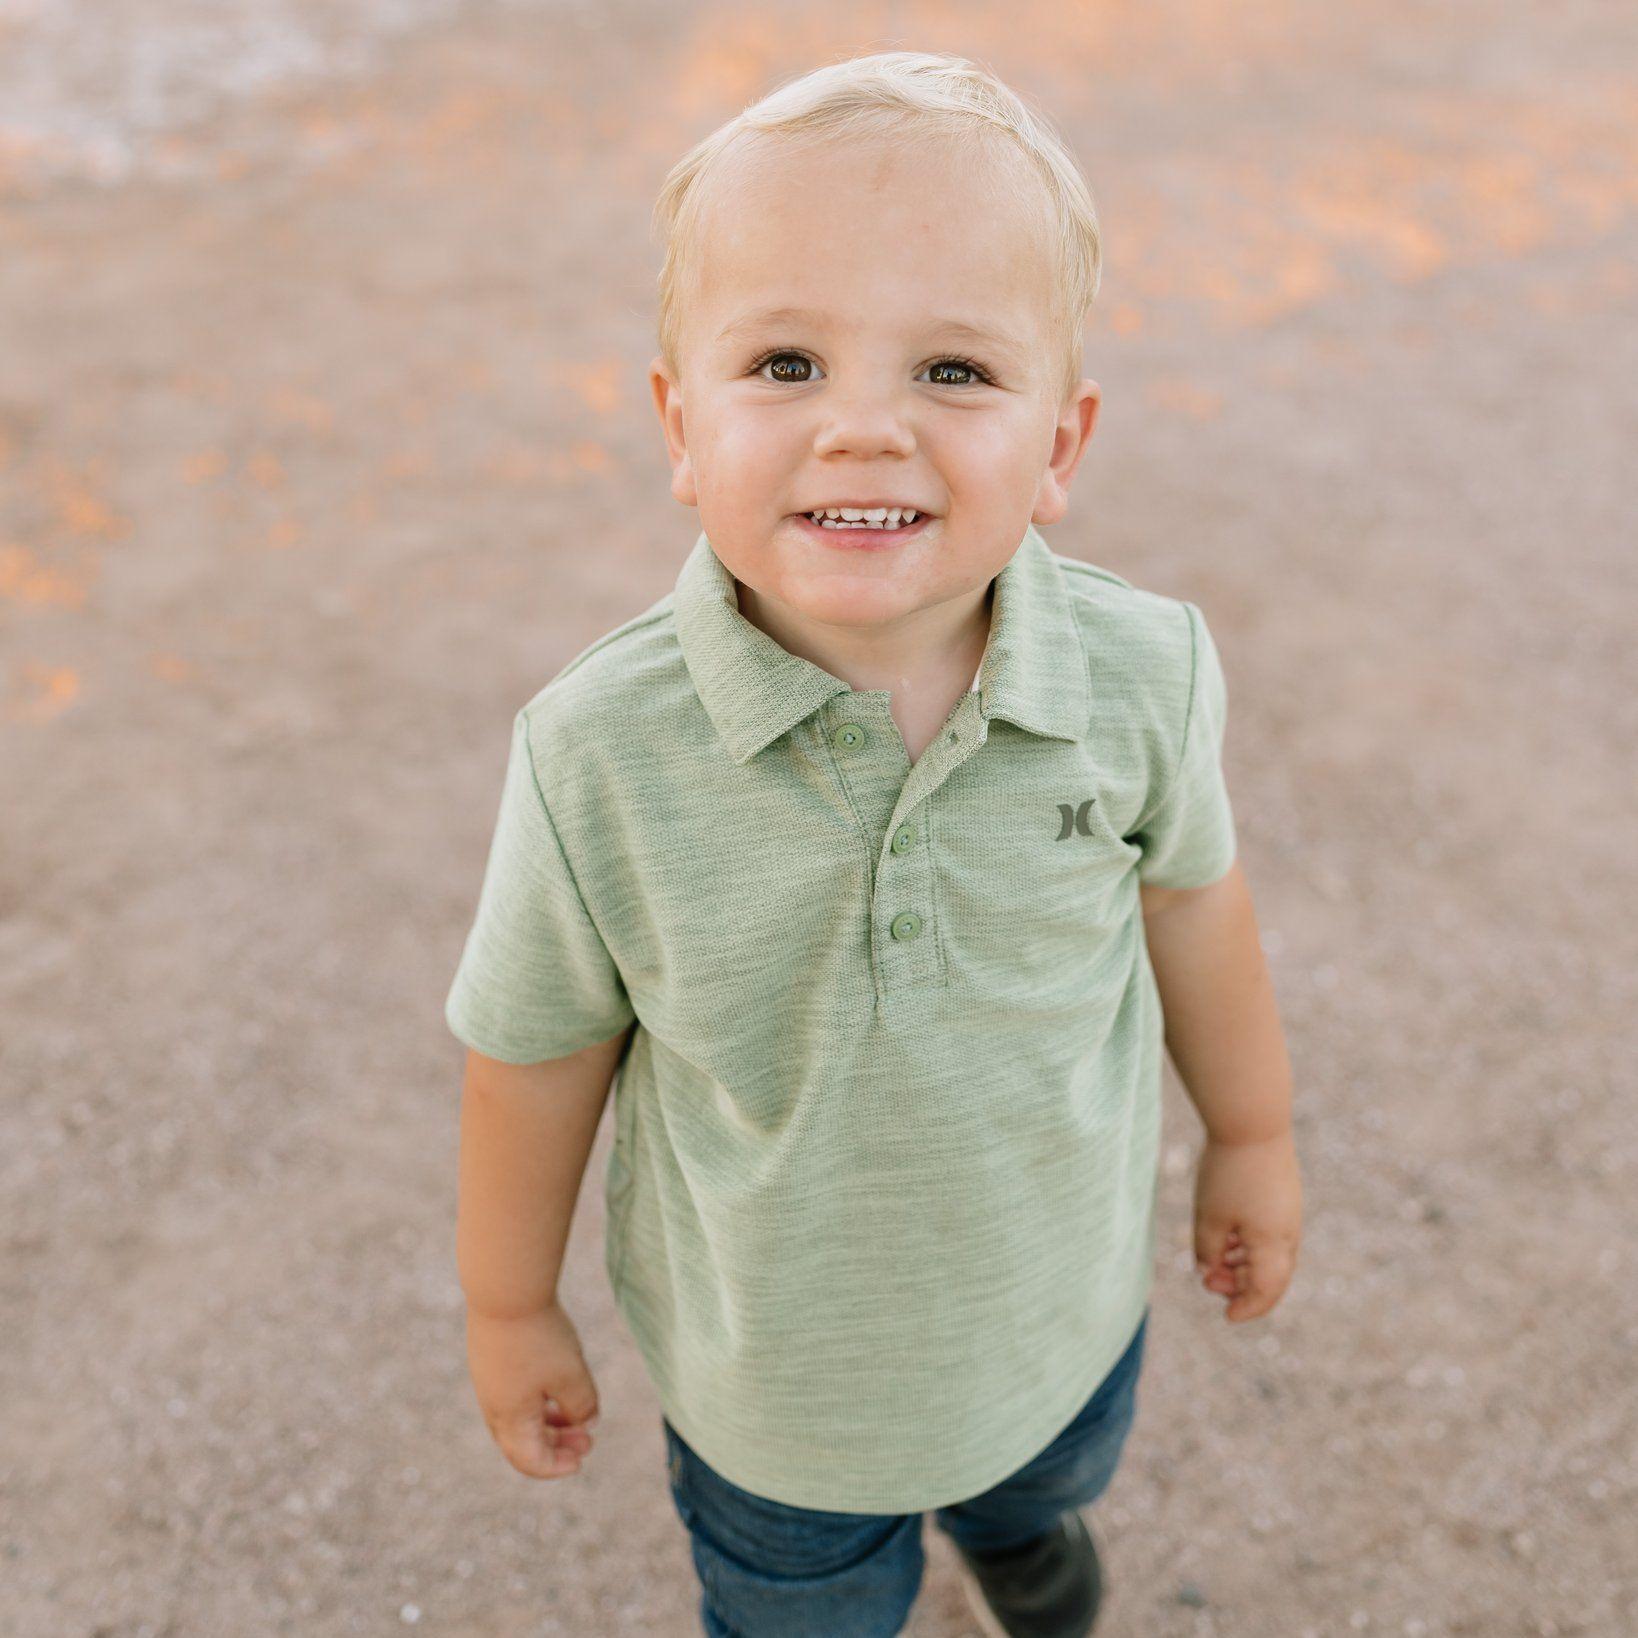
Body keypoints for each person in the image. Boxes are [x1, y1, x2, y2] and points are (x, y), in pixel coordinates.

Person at [445, 49, 1302, 1638]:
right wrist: (509, 1302)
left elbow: (1194, 901)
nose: (861, 429)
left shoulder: (1139, 676)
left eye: (952, 371)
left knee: (1042, 1487)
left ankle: (1023, 1546)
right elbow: (533, 1051)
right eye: (784, 363)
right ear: (678, 424)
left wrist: (1249, 1133)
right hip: (773, 1402)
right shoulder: (600, 752)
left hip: (1056, 1325)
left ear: (1059, 446)